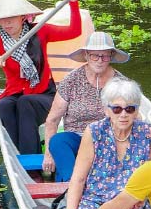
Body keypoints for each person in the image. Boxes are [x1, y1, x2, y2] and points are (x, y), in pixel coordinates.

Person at [0, 0, 83, 154]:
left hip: (44, 95)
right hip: (14, 94)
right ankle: (15, 154)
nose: (6, 24)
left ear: (22, 17)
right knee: (5, 105)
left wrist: (73, 3)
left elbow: (74, 31)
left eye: (10, 19)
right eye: (2, 20)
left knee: (25, 103)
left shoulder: (40, 31)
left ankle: (31, 157)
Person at [62, 79, 151, 209]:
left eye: (130, 109)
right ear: (106, 110)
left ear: (137, 111)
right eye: (117, 109)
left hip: (129, 203)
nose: (123, 114)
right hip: (94, 201)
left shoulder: (147, 133)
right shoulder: (94, 132)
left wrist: (143, 198)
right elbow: (78, 178)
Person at [42, 31, 130, 182]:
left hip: (108, 139)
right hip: (76, 137)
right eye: (95, 55)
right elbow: (53, 120)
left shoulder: (121, 83)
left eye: (105, 56)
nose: (100, 60)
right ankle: (71, 185)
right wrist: (48, 155)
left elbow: (132, 118)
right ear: (87, 56)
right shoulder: (71, 80)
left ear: (111, 57)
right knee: (58, 141)